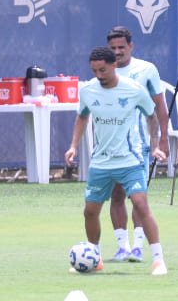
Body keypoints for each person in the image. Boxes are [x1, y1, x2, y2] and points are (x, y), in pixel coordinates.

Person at [65, 46, 168, 276]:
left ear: (114, 65)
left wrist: (155, 146)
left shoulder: (134, 90)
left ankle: (158, 261)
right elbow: (82, 117)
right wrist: (73, 146)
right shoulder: (88, 90)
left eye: (103, 70)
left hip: (130, 160)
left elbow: (151, 116)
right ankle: (95, 259)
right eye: (94, 71)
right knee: (90, 211)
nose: (99, 75)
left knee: (140, 204)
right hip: (101, 163)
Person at [104, 26, 169, 262]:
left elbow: (159, 106)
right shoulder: (104, 71)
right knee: (116, 195)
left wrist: (162, 140)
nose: (117, 52)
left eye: (121, 47)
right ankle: (122, 247)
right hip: (112, 146)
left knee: (138, 198)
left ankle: (138, 247)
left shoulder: (146, 70)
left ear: (131, 46)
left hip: (139, 145)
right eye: (113, 48)